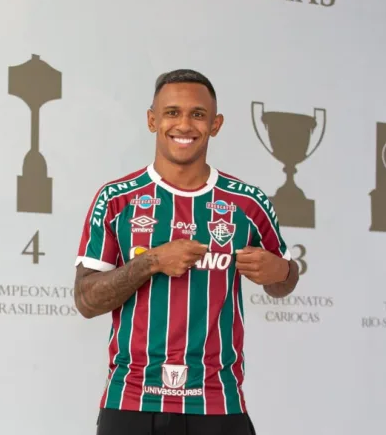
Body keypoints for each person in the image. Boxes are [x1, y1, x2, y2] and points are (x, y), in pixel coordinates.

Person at [73, 69, 299, 435]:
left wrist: (282, 272)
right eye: (172, 112)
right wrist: (151, 262)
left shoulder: (248, 202)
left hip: (217, 401)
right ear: (152, 120)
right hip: (131, 400)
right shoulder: (116, 199)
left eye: (197, 114)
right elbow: (86, 300)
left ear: (215, 125)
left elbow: (284, 278)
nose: (184, 124)